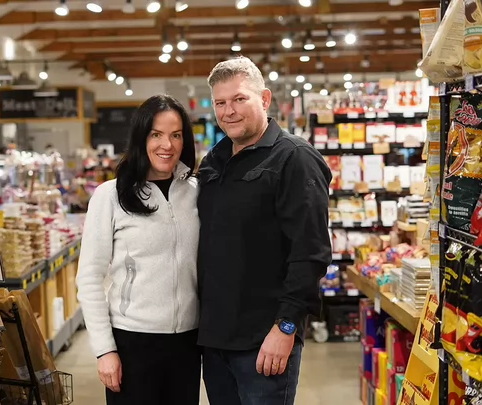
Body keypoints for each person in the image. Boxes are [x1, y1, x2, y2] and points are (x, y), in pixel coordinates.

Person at [196, 56, 332, 404]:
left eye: (240, 99)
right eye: (220, 103)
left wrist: (286, 327)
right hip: (215, 341)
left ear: (265, 99)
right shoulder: (213, 163)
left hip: (264, 341)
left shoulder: (295, 158)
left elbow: (311, 252)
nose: (229, 111)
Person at [76, 94, 201, 405]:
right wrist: (105, 350)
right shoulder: (110, 196)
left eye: (176, 135)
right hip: (132, 343)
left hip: (188, 344)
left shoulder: (197, 193)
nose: (167, 145)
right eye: (156, 134)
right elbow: (89, 278)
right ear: (140, 137)